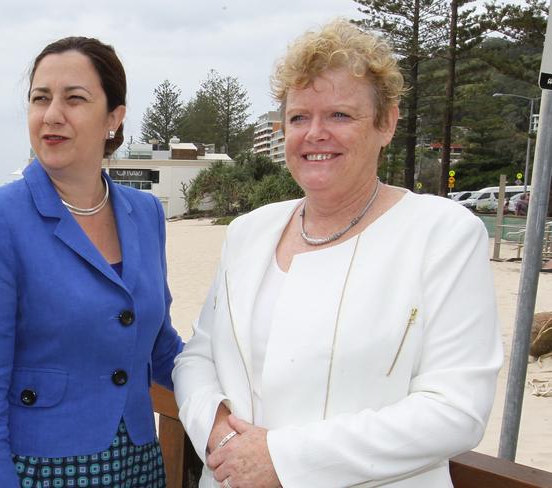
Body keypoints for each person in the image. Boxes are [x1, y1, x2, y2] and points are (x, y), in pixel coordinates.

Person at [173, 19, 502, 488]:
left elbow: (456, 409)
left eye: (340, 116)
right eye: (299, 117)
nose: (315, 134)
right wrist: (220, 434)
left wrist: (282, 459)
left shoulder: (442, 235)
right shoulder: (249, 232)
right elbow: (197, 358)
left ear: (386, 122)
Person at [0, 37, 183, 488]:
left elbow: (160, 344)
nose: (52, 114)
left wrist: (231, 390)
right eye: (40, 98)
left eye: (74, 98)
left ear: (114, 118)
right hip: (35, 472)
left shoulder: (146, 214)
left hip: (140, 466)